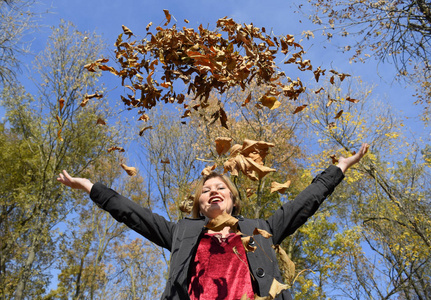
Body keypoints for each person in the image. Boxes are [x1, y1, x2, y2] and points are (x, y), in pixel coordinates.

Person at [57, 143, 369, 300]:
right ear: (200, 205)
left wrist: (338, 169)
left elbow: (305, 203)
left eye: (221, 188)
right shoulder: (181, 233)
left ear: (233, 200)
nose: (213, 192)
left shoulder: (261, 230)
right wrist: (90, 187)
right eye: (206, 190)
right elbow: (133, 214)